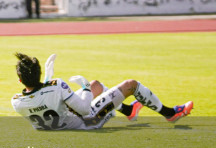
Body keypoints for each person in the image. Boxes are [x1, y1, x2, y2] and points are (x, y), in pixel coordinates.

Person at [11, 52, 194, 130]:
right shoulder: (56, 85)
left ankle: (129, 111)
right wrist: (83, 88)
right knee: (131, 84)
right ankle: (170, 113)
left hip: (60, 121)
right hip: (87, 122)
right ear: (39, 72)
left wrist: (45, 81)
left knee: (96, 85)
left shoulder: (16, 101)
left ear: (20, 80)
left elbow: (41, 99)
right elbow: (84, 109)